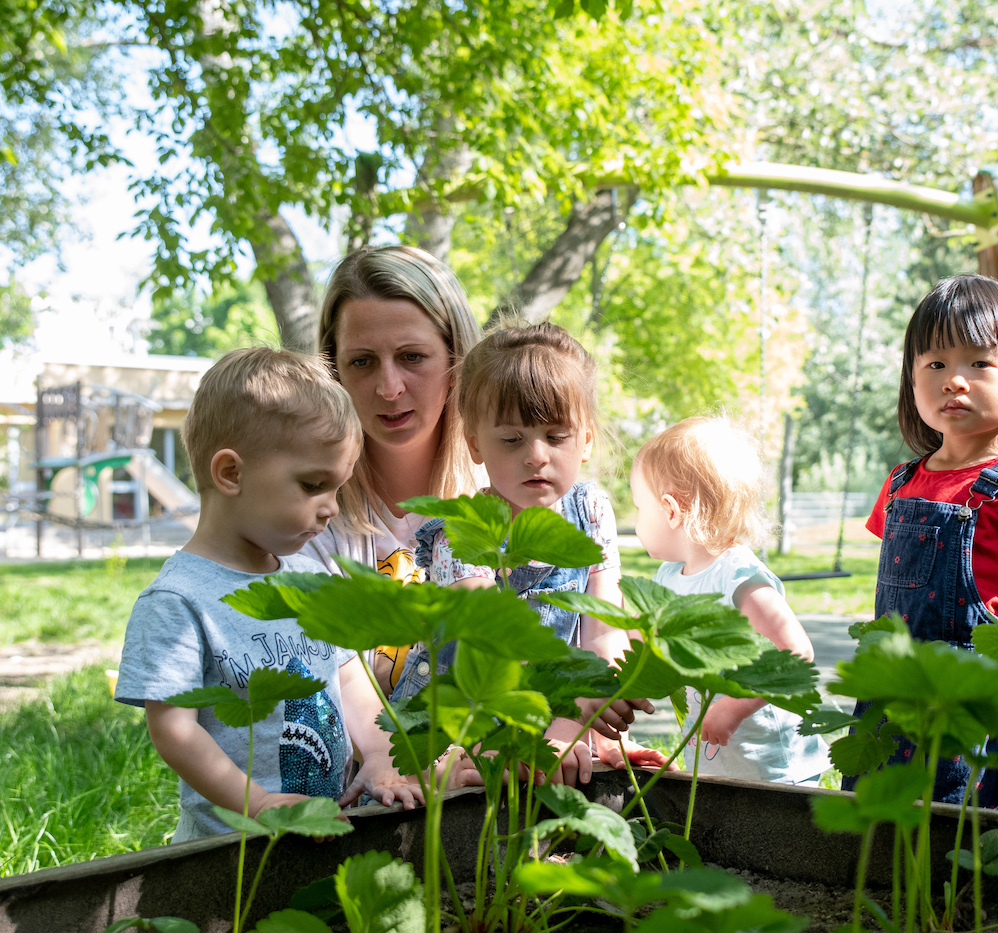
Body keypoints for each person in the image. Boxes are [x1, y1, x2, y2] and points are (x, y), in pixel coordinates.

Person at [115, 348, 423, 842]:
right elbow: (174, 730)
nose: (330, 508)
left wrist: (381, 755)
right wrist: (258, 803)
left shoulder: (310, 578)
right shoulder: (178, 600)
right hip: (229, 853)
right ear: (231, 474)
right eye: (313, 485)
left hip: (326, 831)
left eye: (337, 489)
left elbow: (350, 681)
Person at [846, 274, 998, 814]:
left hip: (977, 706)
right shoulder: (901, 482)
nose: (954, 381)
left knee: (967, 840)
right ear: (912, 381)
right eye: (935, 365)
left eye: (980, 363)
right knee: (876, 837)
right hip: (892, 701)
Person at [415, 321, 665, 783]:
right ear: (475, 444)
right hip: (464, 720)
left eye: (555, 436)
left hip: (554, 711)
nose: (535, 455)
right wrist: (567, 718)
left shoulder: (589, 510)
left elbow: (603, 633)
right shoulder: (463, 531)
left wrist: (592, 724)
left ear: (586, 440)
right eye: (512, 439)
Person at [302, 245, 494, 700]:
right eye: (362, 361)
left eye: (412, 357)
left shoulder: (511, 495)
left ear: (456, 360)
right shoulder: (306, 517)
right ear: (334, 371)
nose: (389, 388)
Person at [631, 416, 831, 785]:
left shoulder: (737, 577)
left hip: (776, 769)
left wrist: (733, 708)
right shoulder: (668, 577)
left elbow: (794, 652)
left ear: (671, 510)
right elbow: (645, 642)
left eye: (639, 508)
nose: (636, 520)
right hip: (720, 764)